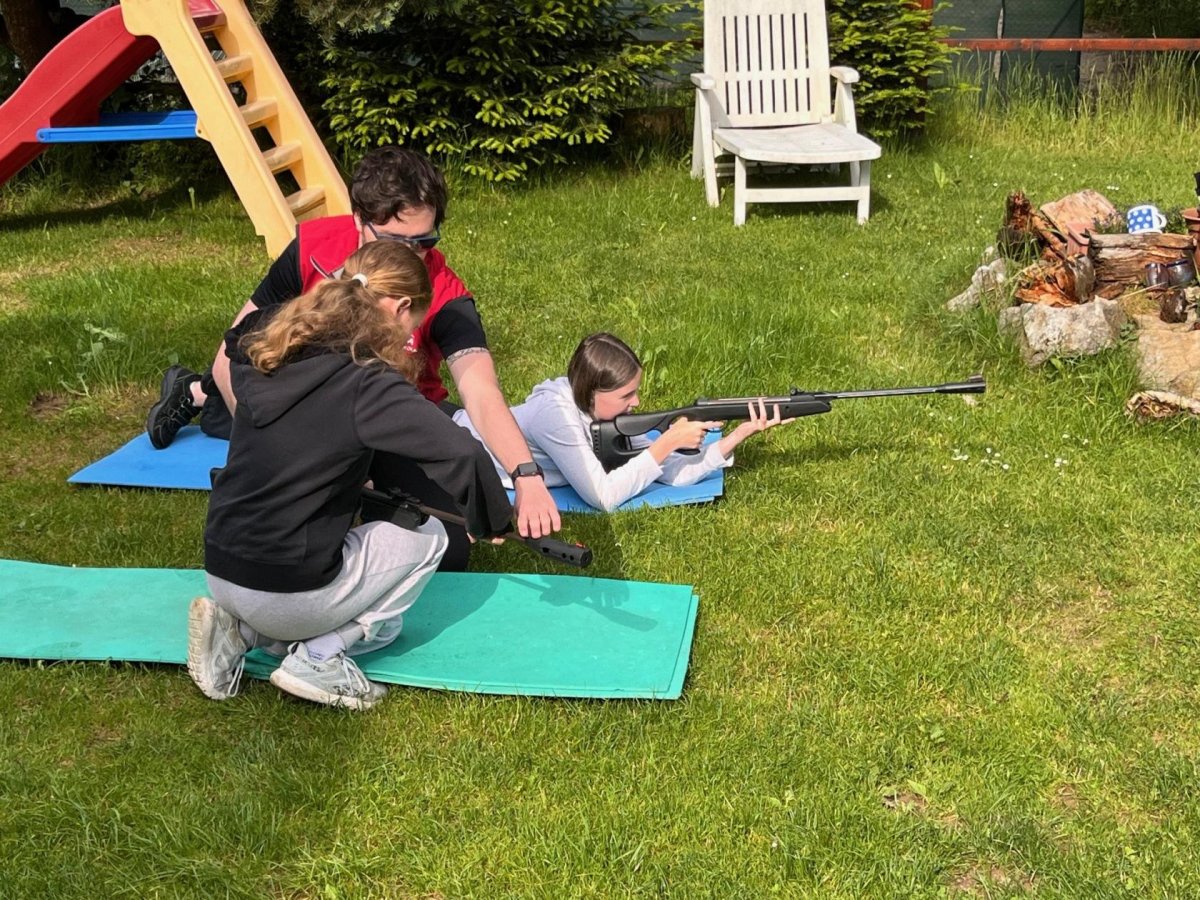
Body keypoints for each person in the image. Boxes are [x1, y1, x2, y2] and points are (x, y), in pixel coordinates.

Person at [147, 147, 558, 566]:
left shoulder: (446, 293)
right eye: (396, 241)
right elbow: (233, 354)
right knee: (254, 423)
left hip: (388, 416)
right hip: (306, 406)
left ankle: (201, 394)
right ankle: (200, 393)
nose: (412, 255)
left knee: (450, 552)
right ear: (359, 220)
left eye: (424, 242)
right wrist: (278, 452)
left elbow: (481, 391)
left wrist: (526, 475)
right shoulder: (313, 247)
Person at [190, 241, 513, 710]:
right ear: (399, 308)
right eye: (414, 325)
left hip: (220, 568)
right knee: (431, 539)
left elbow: (243, 330)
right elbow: (461, 452)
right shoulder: (366, 381)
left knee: (380, 618)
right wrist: (493, 518)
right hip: (288, 590)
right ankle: (318, 658)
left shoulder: (266, 349)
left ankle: (240, 631)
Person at [453, 333, 795, 512]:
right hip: (459, 449)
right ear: (592, 392)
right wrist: (666, 442)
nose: (637, 403)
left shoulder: (609, 420)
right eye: (626, 395)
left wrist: (740, 433)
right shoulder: (555, 417)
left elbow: (674, 476)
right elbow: (603, 497)